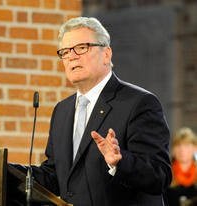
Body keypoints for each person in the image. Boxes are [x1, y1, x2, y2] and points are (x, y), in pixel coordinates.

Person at [13, 16, 172, 206]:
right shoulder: (62, 110)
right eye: (65, 51)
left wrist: (119, 162)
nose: (72, 56)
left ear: (106, 54)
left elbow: (159, 176)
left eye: (81, 48)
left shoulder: (139, 103)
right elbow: (54, 176)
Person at [166, 127, 197, 206]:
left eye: (186, 145)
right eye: (178, 145)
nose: (182, 149)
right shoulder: (165, 175)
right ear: (173, 150)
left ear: (195, 148)